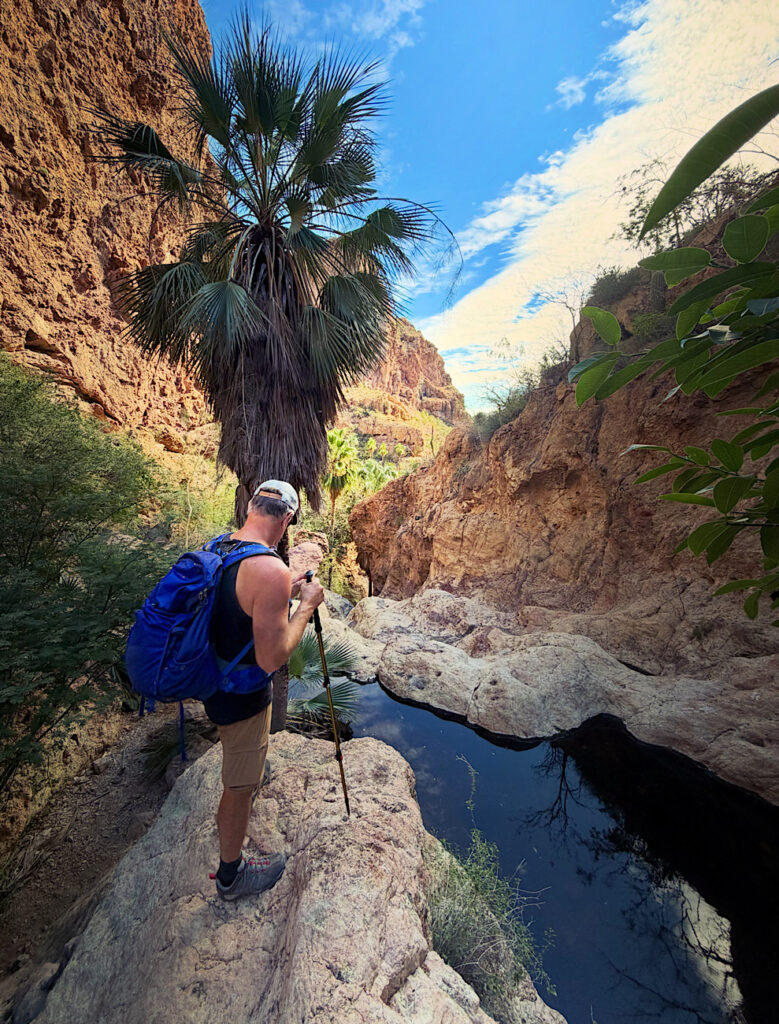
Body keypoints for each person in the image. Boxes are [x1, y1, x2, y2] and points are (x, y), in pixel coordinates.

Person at [204, 479, 324, 900]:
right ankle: (231, 877)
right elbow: (273, 659)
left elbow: (238, 601)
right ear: (288, 518)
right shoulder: (269, 569)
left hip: (213, 683)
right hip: (243, 699)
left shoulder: (222, 546)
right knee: (239, 789)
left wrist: (286, 587)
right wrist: (306, 606)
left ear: (253, 506)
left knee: (243, 771)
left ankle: (248, 777)